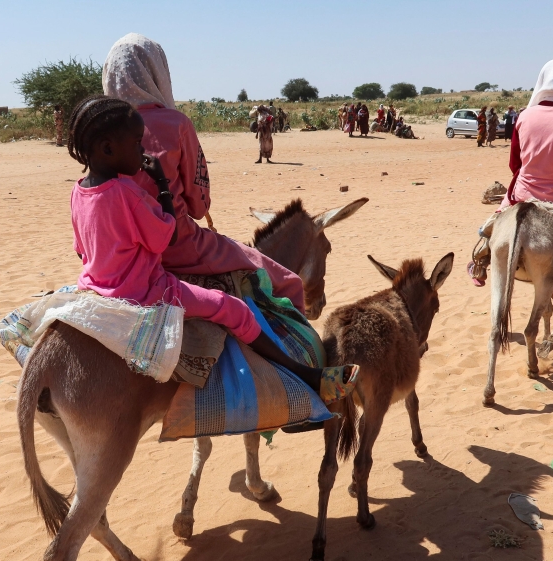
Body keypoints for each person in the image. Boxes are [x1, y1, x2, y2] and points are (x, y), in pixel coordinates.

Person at [65, 95, 358, 402]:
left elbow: (80, 249)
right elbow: (164, 238)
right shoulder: (129, 193)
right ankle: (305, 376)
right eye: (138, 142)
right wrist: (163, 185)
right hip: (146, 290)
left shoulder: (78, 191)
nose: (143, 149)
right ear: (108, 149)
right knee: (234, 309)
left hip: (93, 285)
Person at [102, 33, 305, 312]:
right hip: (178, 248)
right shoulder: (176, 124)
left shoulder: (98, 128)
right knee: (289, 281)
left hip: (110, 252)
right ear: (158, 72)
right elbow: (199, 206)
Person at [468, 59, 553, 286]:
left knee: (497, 219)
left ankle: (481, 257)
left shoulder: (524, 116)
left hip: (522, 192)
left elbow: (515, 164)